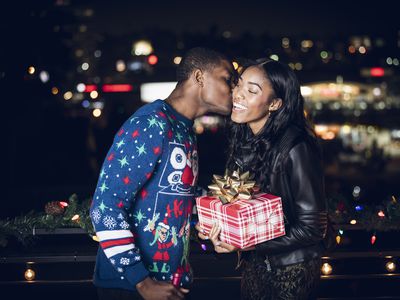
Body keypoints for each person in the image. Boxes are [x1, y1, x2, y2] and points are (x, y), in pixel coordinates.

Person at [90, 47, 236, 300]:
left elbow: (174, 195)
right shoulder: (151, 123)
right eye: (227, 79)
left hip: (171, 284)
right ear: (199, 77)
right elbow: (105, 207)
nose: (234, 89)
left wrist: (223, 208)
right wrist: (142, 282)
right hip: (131, 288)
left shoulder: (184, 128)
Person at [198, 59, 328, 299]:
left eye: (252, 90)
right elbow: (238, 205)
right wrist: (218, 232)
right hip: (255, 265)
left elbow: (313, 228)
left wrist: (249, 245)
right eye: (238, 85)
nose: (237, 94)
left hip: (292, 271)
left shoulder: (296, 146)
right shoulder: (244, 137)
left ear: (275, 104)